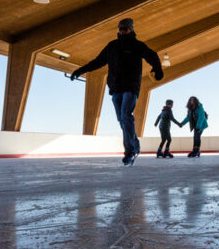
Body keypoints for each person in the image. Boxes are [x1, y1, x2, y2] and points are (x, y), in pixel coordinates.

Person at [70, 18, 163, 166]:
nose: (122, 31)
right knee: (122, 120)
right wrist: (80, 70)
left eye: (125, 28)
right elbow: (98, 61)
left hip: (131, 86)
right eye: (120, 28)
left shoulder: (137, 45)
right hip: (116, 87)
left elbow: (152, 56)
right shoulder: (112, 46)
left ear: (131, 29)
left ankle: (130, 152)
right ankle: (134, 143)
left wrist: (158, 69)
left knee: (126, 115)